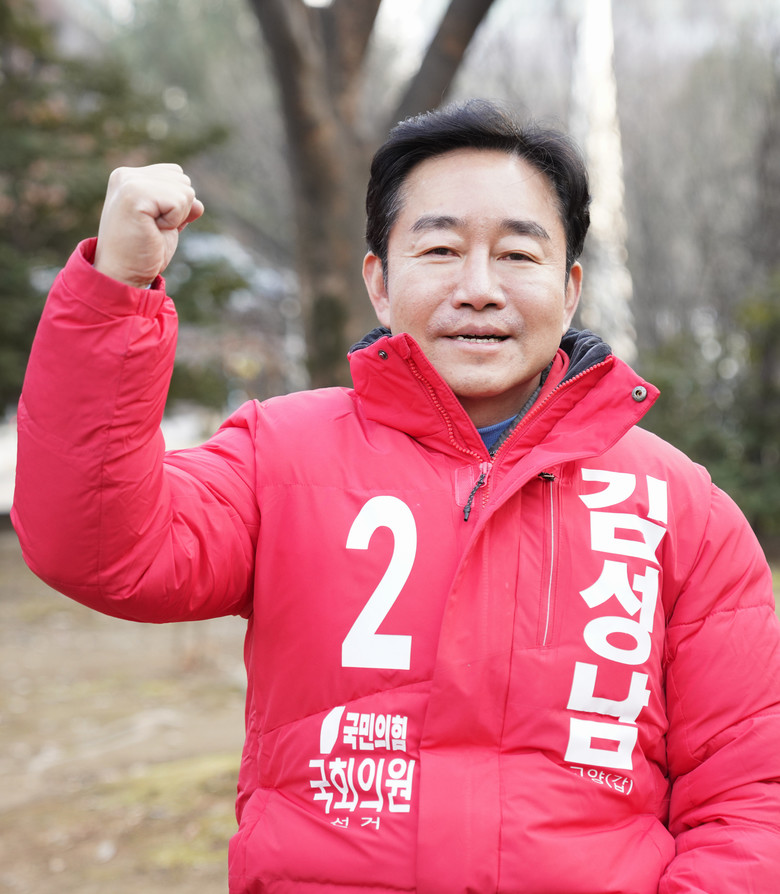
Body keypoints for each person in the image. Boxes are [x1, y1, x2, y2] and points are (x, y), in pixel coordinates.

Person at [12, 99, 780, 893]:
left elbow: (749, 801)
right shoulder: (279, 456)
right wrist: (117, 291)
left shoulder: (680, 510)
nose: (478, 289)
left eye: (518, 254)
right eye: (440, 249)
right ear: (379, 282)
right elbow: (97, 545)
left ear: (570, 288)